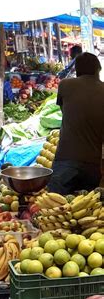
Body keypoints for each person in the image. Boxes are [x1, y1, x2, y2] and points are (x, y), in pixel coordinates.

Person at [48, 52, 104, 194]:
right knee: (88, 209)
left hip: (65, 159)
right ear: (98, 69)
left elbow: (65, 111)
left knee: (56, 209)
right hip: (93, 164)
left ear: (77, 70)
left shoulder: (65, 85)